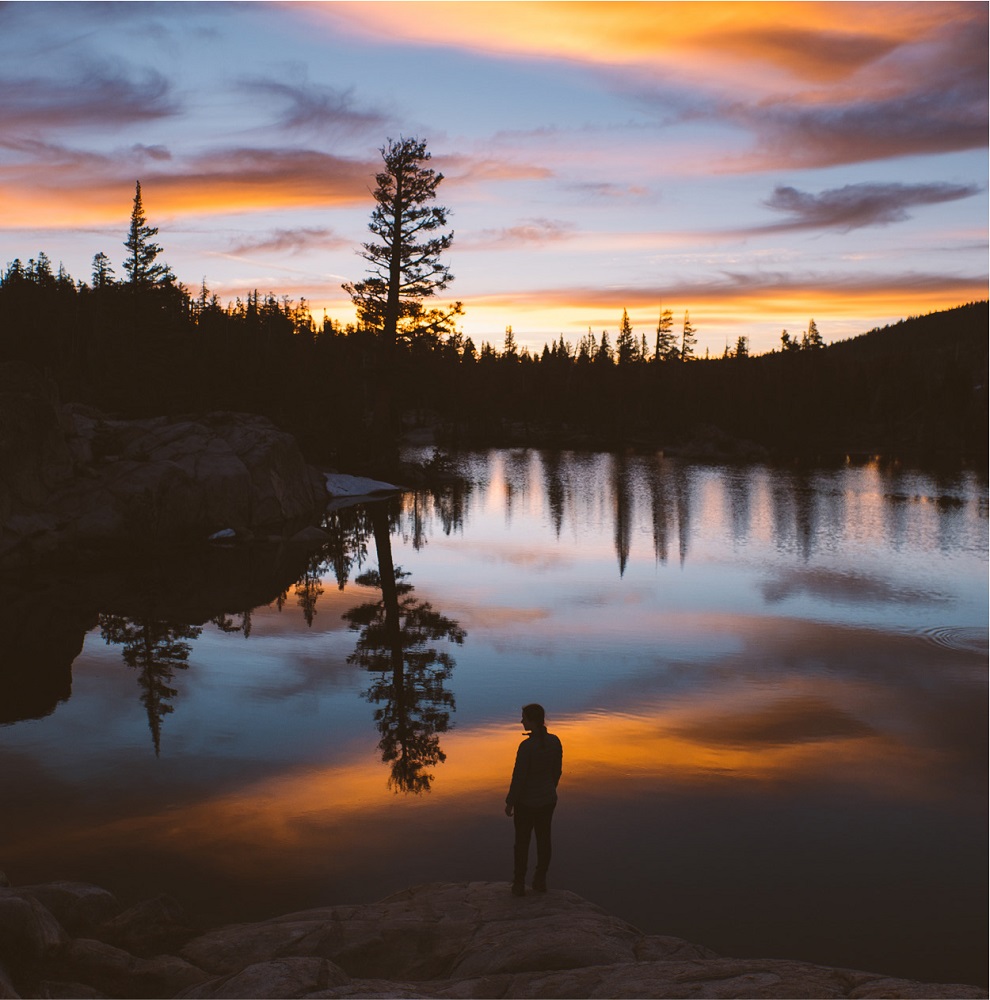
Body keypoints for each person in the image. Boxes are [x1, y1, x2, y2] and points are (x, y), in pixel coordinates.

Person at [504, 703, 563, 896]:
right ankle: (540, 880)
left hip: (526, 803)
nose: (521, 721)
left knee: (522, 842)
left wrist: (510, 802)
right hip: (548, 800)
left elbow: (519, 777)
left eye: (524, 718)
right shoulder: (555, 742)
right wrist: (548, 790)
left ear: (532, 720)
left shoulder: (527, 746)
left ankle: (519, 883)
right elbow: (556, 772)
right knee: (544, 839)